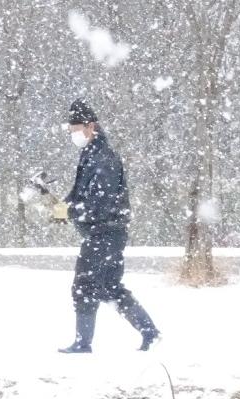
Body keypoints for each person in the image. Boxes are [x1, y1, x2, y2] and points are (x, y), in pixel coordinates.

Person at [46, 99, 160, 353]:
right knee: (109, 287)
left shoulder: (104, 159)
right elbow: (78, 196)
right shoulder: (90, 155)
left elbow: (99, 203)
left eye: (76, 130)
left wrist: (70, 210)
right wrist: (60, 206)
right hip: (104, 233)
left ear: (90, 126)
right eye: (71, 131)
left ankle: (83, 343)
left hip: (105, 232)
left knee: (84, 286)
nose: (73, 135)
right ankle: (149, 331)